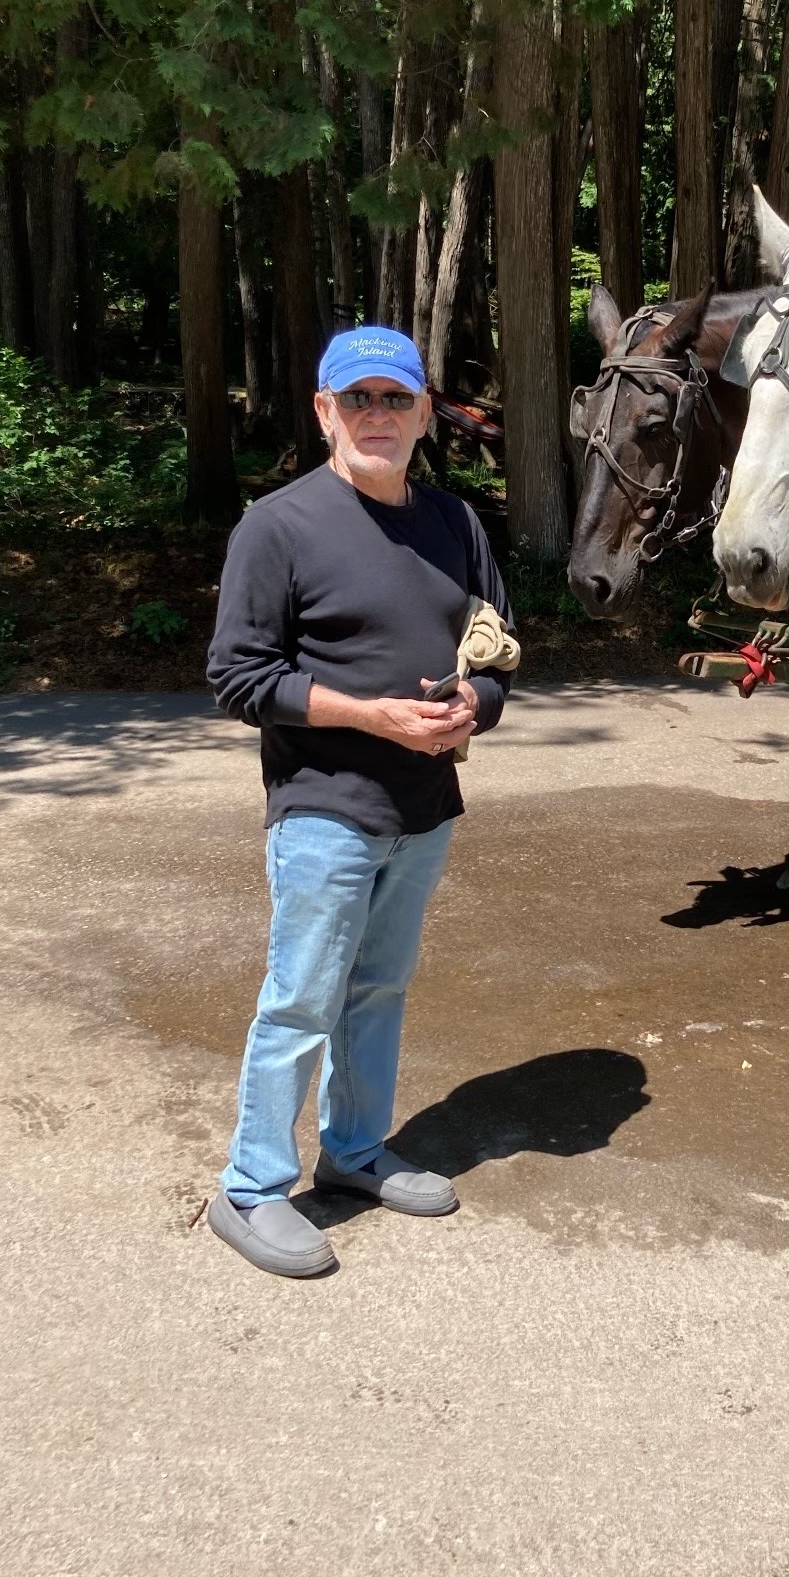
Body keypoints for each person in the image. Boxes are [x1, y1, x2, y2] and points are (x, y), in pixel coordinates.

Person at [205, 326, 514, 1278]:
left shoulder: (456, 524)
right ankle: (251, 1188)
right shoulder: (279, 525)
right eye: (358, 399)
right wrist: (372, 718)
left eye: (396, 400)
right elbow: (238, 677)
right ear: (323, 411)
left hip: (425, 807)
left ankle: (353, 1151)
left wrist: (477, 704)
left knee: (377, 991)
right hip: (323, 806)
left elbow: (497, 647)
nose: (377, 416)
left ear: (426, 414)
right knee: (302, 1000)